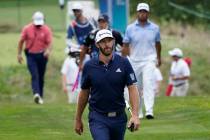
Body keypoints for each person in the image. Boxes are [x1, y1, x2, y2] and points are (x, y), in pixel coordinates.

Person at [74, 29, 140, 140]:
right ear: (97, 44)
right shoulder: (89, 66)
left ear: (113, 42)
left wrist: (135, 115)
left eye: (109, 41)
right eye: (103, 41)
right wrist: (78, 119)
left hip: (119, 118)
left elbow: (132, 88)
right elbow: (84, 93)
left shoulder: (124, 63)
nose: (107, 44)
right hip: (97, 117)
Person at [122, 3, 162, 119]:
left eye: (144, 11)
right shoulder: (130, 28)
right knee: (136, 86)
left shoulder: (155, 28)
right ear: (137, 13)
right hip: (134, 60)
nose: (142, 13)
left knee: (148, 83)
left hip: (149, 60)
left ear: (148, 13)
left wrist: (158, 58)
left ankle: (149, 111)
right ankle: (138, 112)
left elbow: (158, 44)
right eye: (140, 11)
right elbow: (125, 45)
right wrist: (124, 60)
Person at [17, 11, 52, 104]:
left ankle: (40, 97)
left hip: (42, 56)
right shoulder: (27, 29)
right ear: (32, 20)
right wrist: (19, 54)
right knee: (35, 74)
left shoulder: (46, 29)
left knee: (41, 76)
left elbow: (49, 43)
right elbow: (21, 41)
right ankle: (36, 94)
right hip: (31, 55)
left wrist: (48, 51)